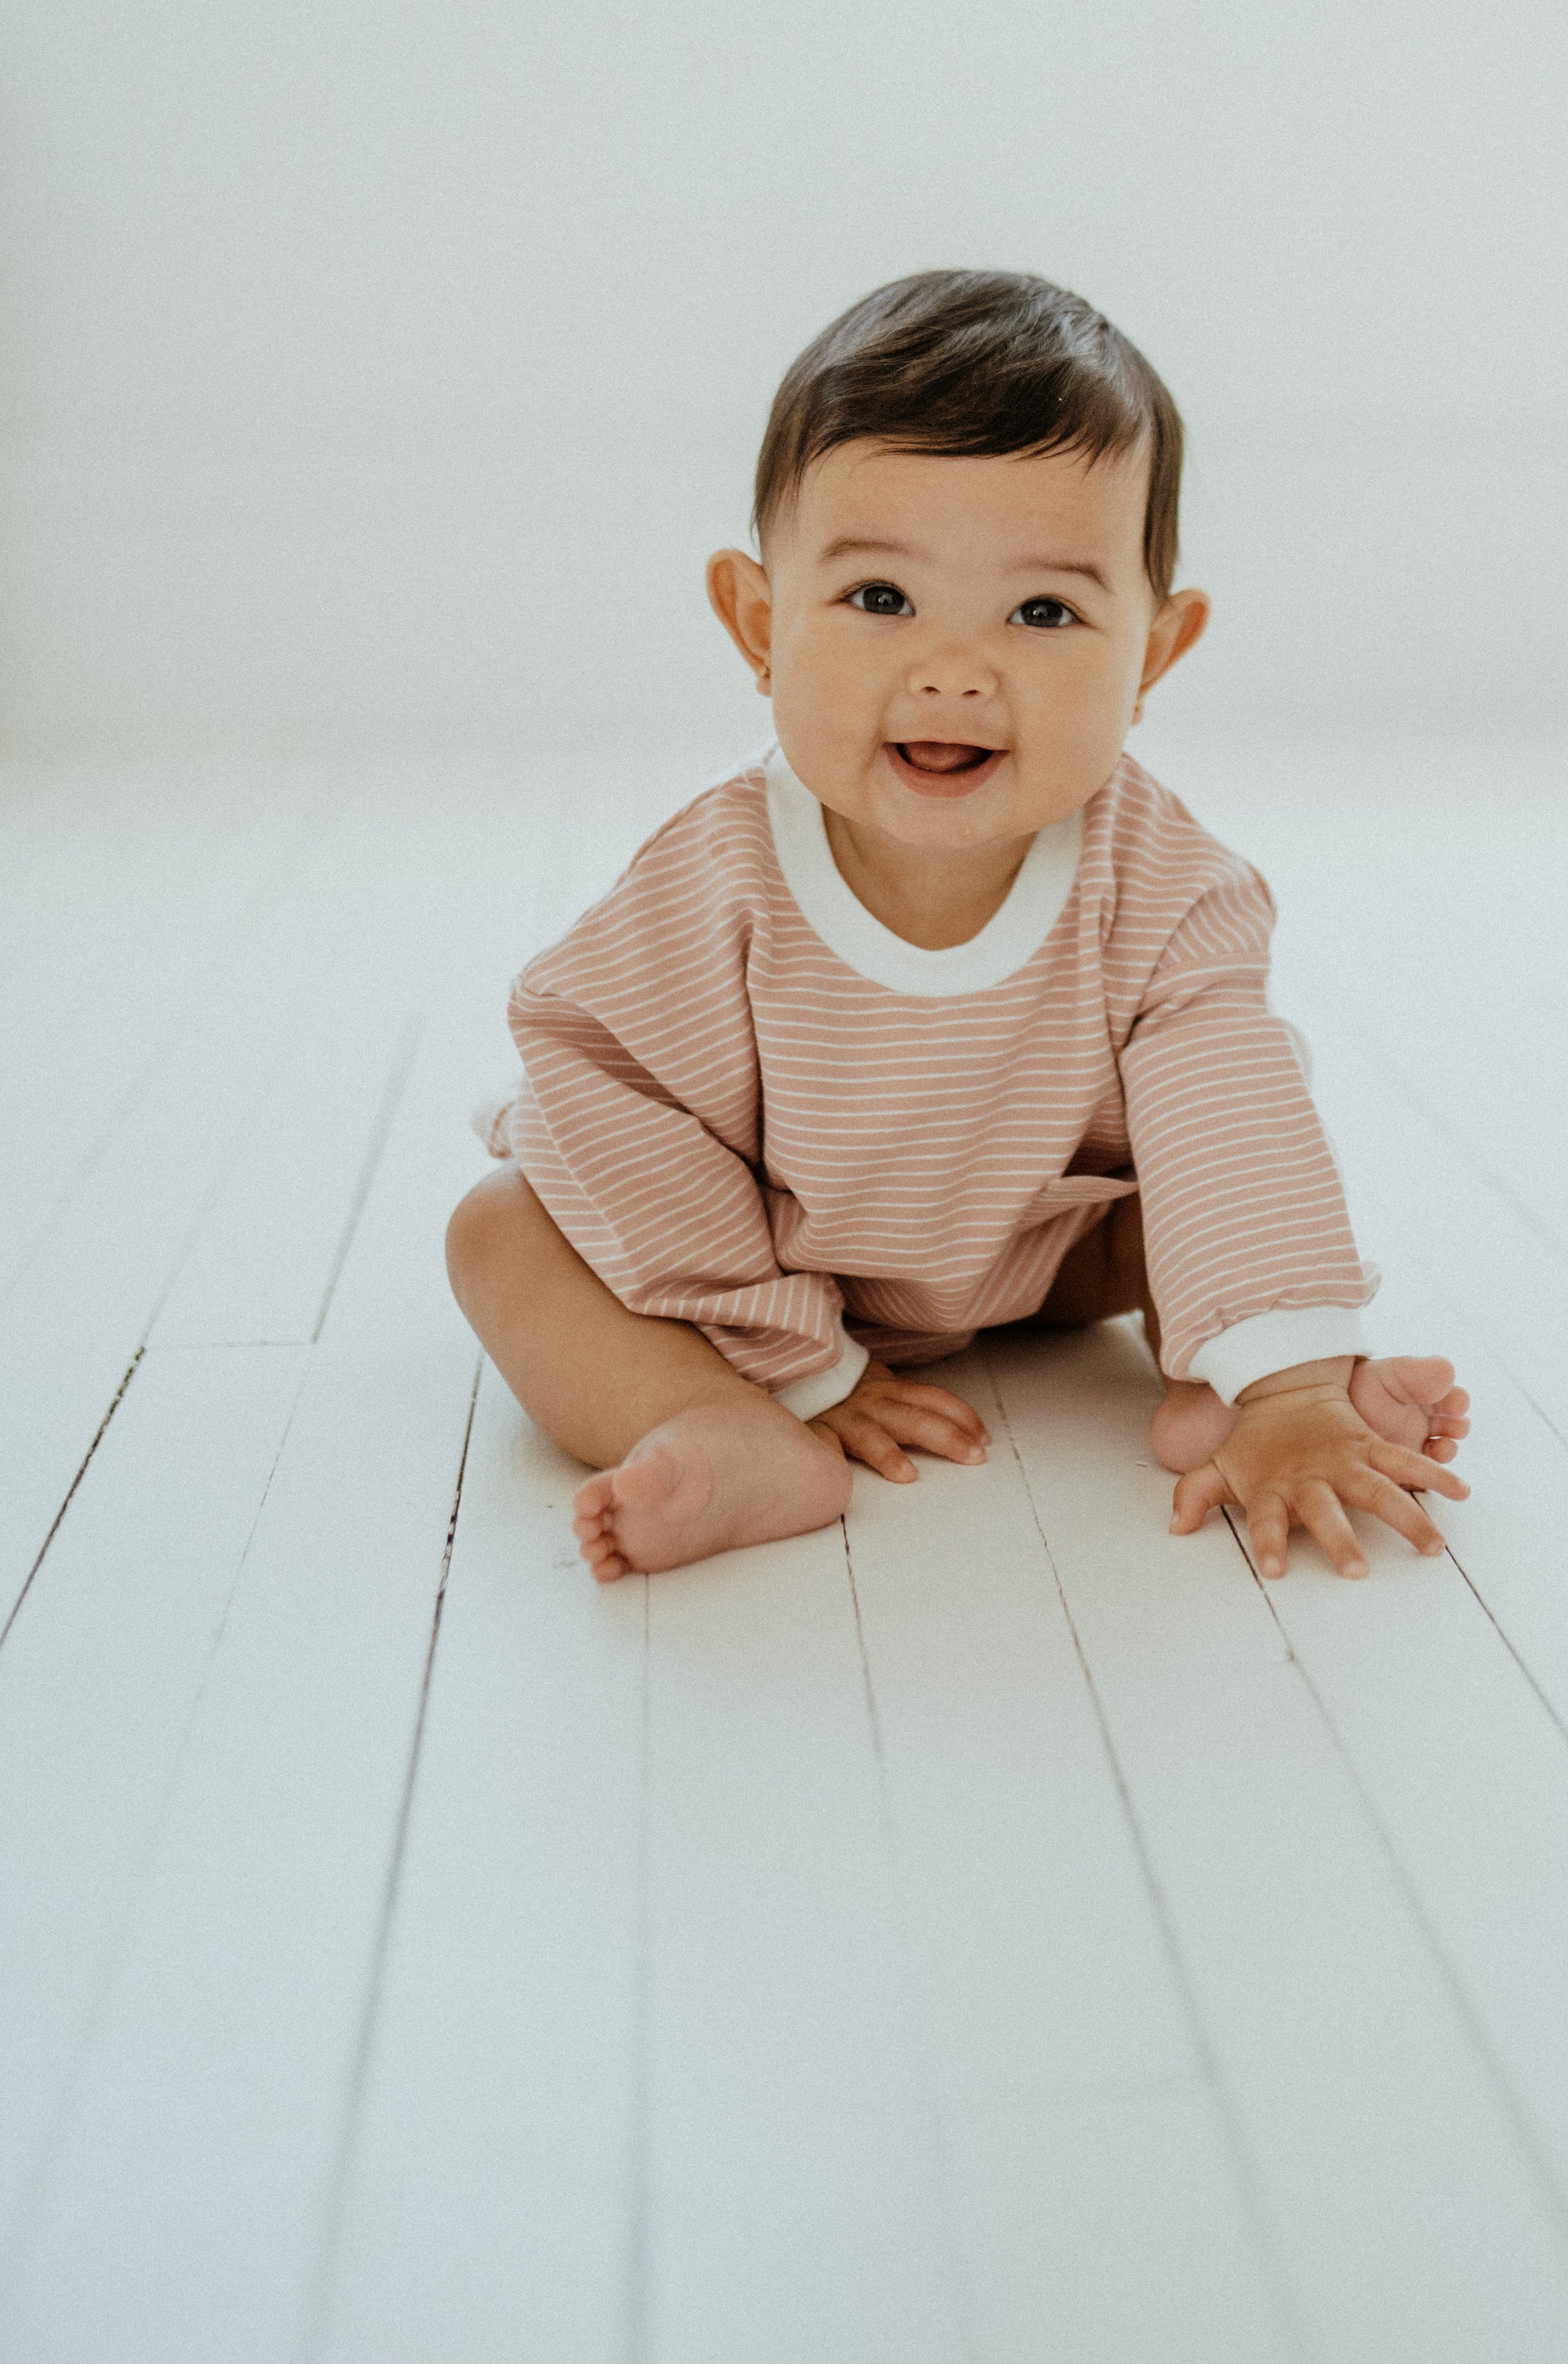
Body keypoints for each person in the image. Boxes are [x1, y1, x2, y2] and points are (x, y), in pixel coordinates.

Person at [446, 267, 1471, 1588]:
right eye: (881, 599)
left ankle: (1237, 1386)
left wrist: (1292, 1382)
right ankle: (716, 1423)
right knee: (503, 1230)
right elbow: (610, 1103)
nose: (955, 667)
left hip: (1040, 1251)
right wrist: (797, 1360)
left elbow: (1230, 1122)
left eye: (1043, 613)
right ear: (761, 625)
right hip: (760, 1263)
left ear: (1152, 657)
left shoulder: (1167, 888)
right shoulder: (719, 885)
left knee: (1214, 1152)